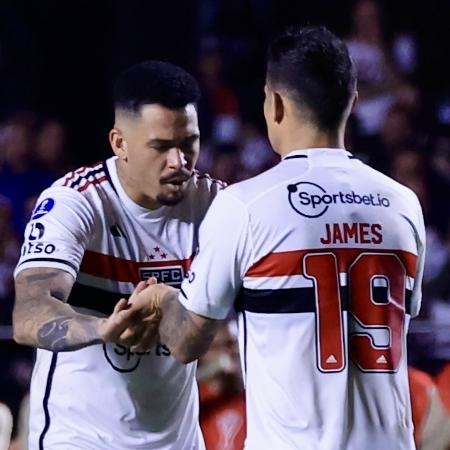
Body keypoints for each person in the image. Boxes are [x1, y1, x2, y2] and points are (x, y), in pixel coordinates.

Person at [125, 26, 426, 450]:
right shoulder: (404, 204)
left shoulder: (246, 206)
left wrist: (161, 298)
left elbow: (186, 341)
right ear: (353, 103)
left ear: (276, 103)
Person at [12, 60, 224, 449]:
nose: (179, 162)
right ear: (119, 143)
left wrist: (170, 304)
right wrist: (101, 329)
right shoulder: (75, 201)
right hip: (79, 438)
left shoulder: (218, 206)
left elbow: (194, 339)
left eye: (188, 143)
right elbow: (29, 313)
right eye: (160, 147)